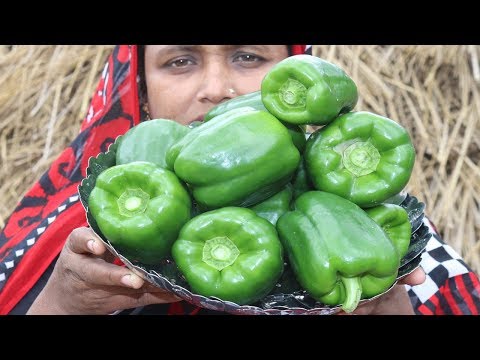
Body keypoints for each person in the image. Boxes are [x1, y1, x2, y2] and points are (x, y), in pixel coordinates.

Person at [0, 45, 478, 315]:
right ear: (139, 87)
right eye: (180, 60)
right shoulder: (76, 235)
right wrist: (62, 304)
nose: (216, 88)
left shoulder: (386, 230)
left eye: (248, 56)